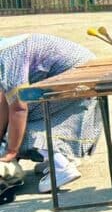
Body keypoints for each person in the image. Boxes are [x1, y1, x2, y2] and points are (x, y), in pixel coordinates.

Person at [0, 34, 101, 194]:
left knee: (22, 120)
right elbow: (5, 101)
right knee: (18, 116)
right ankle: (60, 156)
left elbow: (19, 109)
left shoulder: (6, 59)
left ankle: (60, 167)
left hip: (79, 76)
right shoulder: (5, 48)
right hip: (80, 69)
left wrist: (10, 152)